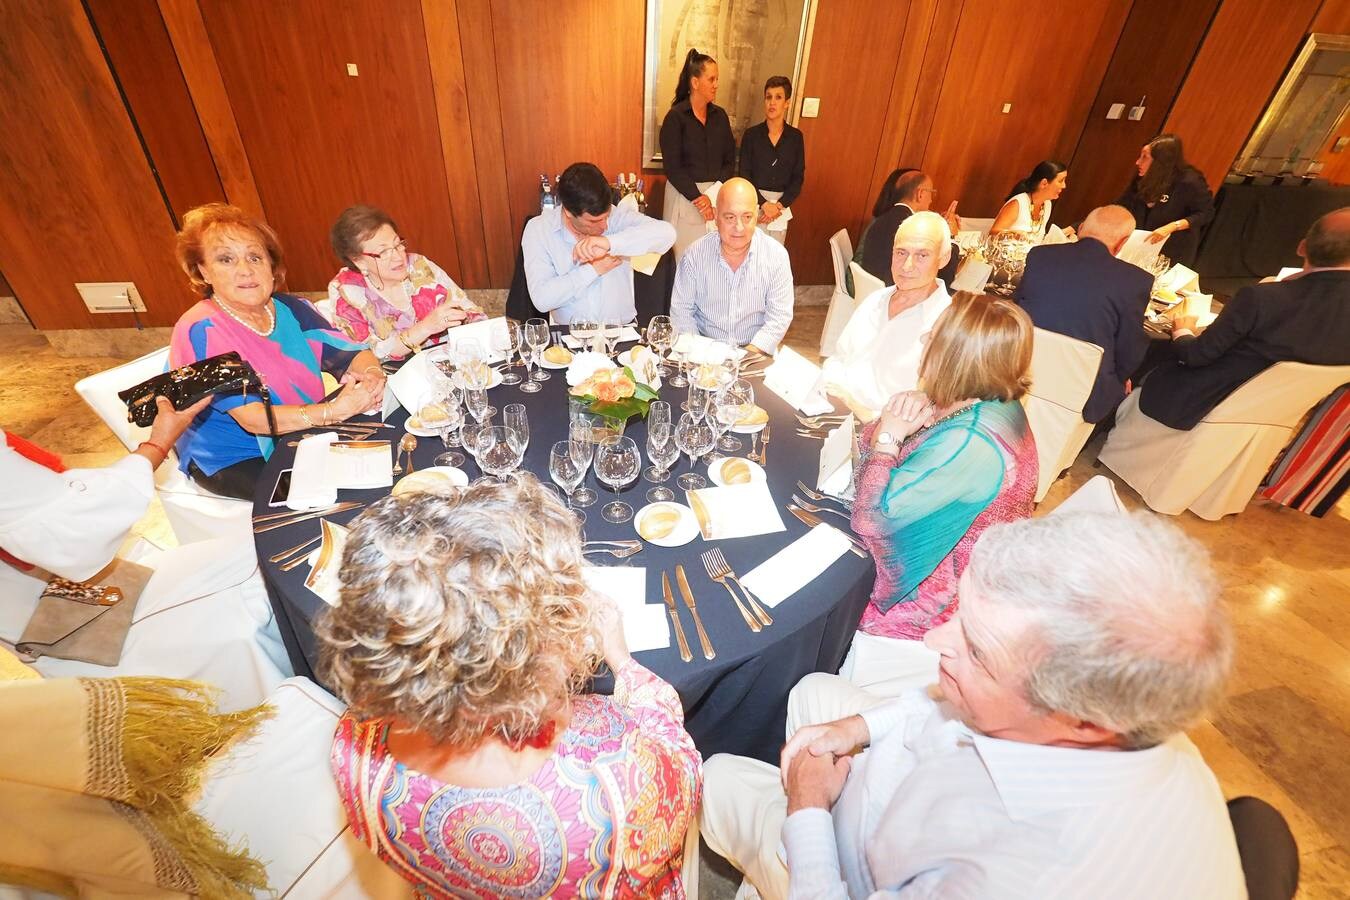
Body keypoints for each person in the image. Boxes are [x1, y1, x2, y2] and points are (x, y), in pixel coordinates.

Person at [701, 511, 1247, 899]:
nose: (935, 640)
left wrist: (808, 807)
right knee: (811, 692)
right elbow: (947, 702)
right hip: (897, 797)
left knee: (716, 778)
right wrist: (858, 727)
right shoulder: (1120, 698)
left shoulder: (1023, 876)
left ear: (1082, 721)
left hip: (853, 868)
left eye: (979, 652)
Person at [318, 479, 701, 898]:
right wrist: (622, 661)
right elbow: (683, 762)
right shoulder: (614, 794)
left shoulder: (352, 748)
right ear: (524, 674)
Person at [0, 399, 290, 710]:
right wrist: (157, 443)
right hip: (64, 617)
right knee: (264, 588)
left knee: (262, 554)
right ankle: (277, 706)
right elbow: (73, 530)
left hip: (83, 580)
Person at [845, 291, 1037, 693]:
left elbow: (872, 519)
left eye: (937, 332)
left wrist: (889, 441)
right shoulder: (976, 401)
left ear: (960, 357)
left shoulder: (973, 447)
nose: (925, 336)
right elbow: (868, 441)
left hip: (932, 610)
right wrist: (895, 427)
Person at [169, 203, 386, 500]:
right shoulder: (201, 330)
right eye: (226, 259)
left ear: (271, 266)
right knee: (326, 493)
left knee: (380, 458)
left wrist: (372, 375)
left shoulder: (291, 309)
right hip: (234, 457)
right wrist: (332, 412)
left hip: (299, 431)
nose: (245, 270)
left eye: (255, 257)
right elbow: (253, 418)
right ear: (203, 271)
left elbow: (351, 352)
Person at [1138, 207, 1350, 430]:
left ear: (1302, 247)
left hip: (1202, 404)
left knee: (1151, 353)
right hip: (1289, 420)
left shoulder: (1263, 298)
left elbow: (1196, 355)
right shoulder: (1270, 297)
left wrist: (1183, 331)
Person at [1015, 204, 1153, 423]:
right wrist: (1120, 377)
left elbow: (1015, 310)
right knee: (1120, 382)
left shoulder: (1041, 255)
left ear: (1081, 230)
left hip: (1019, 367)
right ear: (1122, 243)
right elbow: (1130, 347)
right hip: (1082, 390)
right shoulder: (1135, 280)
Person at [819, 211, 953, 420]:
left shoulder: (948, 324)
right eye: (901, 253)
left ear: (943, 259)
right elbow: (839, 357)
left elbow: (933, 410)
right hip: (833, 409)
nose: (907, 266)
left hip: (881, 433)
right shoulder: (876, 300)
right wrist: (831, 392)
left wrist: (857, 410)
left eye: (922, 255)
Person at [521, 161, 676, 325]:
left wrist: (609, 242)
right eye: (593, 221)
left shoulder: (616, 217)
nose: (604, 225)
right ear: (568, 211)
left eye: (606, 216)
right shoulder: (539, 230)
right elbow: (542, 299)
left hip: (622, 331)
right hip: (570, 334)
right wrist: (593, 270)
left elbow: (667, 234)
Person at [326, 204, 486, 359]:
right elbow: (366, 354)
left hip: (449, 361)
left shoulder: (419, 265)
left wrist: (472, 324)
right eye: (383, 252)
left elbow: (470, 310)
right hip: (396, 377)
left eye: (397, 244)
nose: (398, 256)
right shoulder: (346, 290)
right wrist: (426, 327)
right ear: (358, 261)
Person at [670, 177, 794, 354]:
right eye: (730, 217)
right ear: (715, 215)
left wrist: (746, 357)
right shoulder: (695, 255)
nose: (739, 227)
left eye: (747, 217)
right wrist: (702, 356)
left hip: (754, 352)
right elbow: (681, 312)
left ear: (757, 214)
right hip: (704, 351)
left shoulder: (776, 256)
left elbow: (779, 318)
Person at [660, 48, 736, 259]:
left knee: (710, 262)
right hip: (685, 197)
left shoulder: (720, 116)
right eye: (711, 79)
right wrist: (698, 198)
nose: (716, 84)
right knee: (685, 261)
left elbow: (730, 159)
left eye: (717, 79)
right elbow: (673, 168)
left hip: (716, 197)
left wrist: (715, 192)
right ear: (695, 83)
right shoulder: (675, 118)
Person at [853, 168, 962, 293]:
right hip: (898, 295)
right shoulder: (910, 230)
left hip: (873, 290)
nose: (931, 200)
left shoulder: (884, 218)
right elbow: (945, 278)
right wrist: (951, 236)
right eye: (931, 193)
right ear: (920, 194)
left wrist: (939, 226)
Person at [1115, 133, 1215, 266]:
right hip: (1141, 244)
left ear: (1161, 161)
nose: (1138, 162)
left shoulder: (1190, 181)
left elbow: (1206, 213)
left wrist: (1172, 226)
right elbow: (1120, 206)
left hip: (1172, 250)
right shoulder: (1143, 177)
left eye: (1144, 157)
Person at [737, 76, 805, 245]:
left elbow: (798, 177)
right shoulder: (751, 136)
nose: (772, 103)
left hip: (780, 209)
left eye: (778, 97)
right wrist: (763, 204)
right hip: (754, 202)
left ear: (787, 103)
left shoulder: (795, 138)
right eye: (768, 97)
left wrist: (779, 206)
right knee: (748, 253)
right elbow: (744, 174)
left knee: (773, 258)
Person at [990, 159, 1069, 241]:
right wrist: (1014, 234)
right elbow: (993, 234)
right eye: (1060, 181)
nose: (1064, 186)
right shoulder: (1018, 203)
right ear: (1044, 183)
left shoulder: (1047, 204)